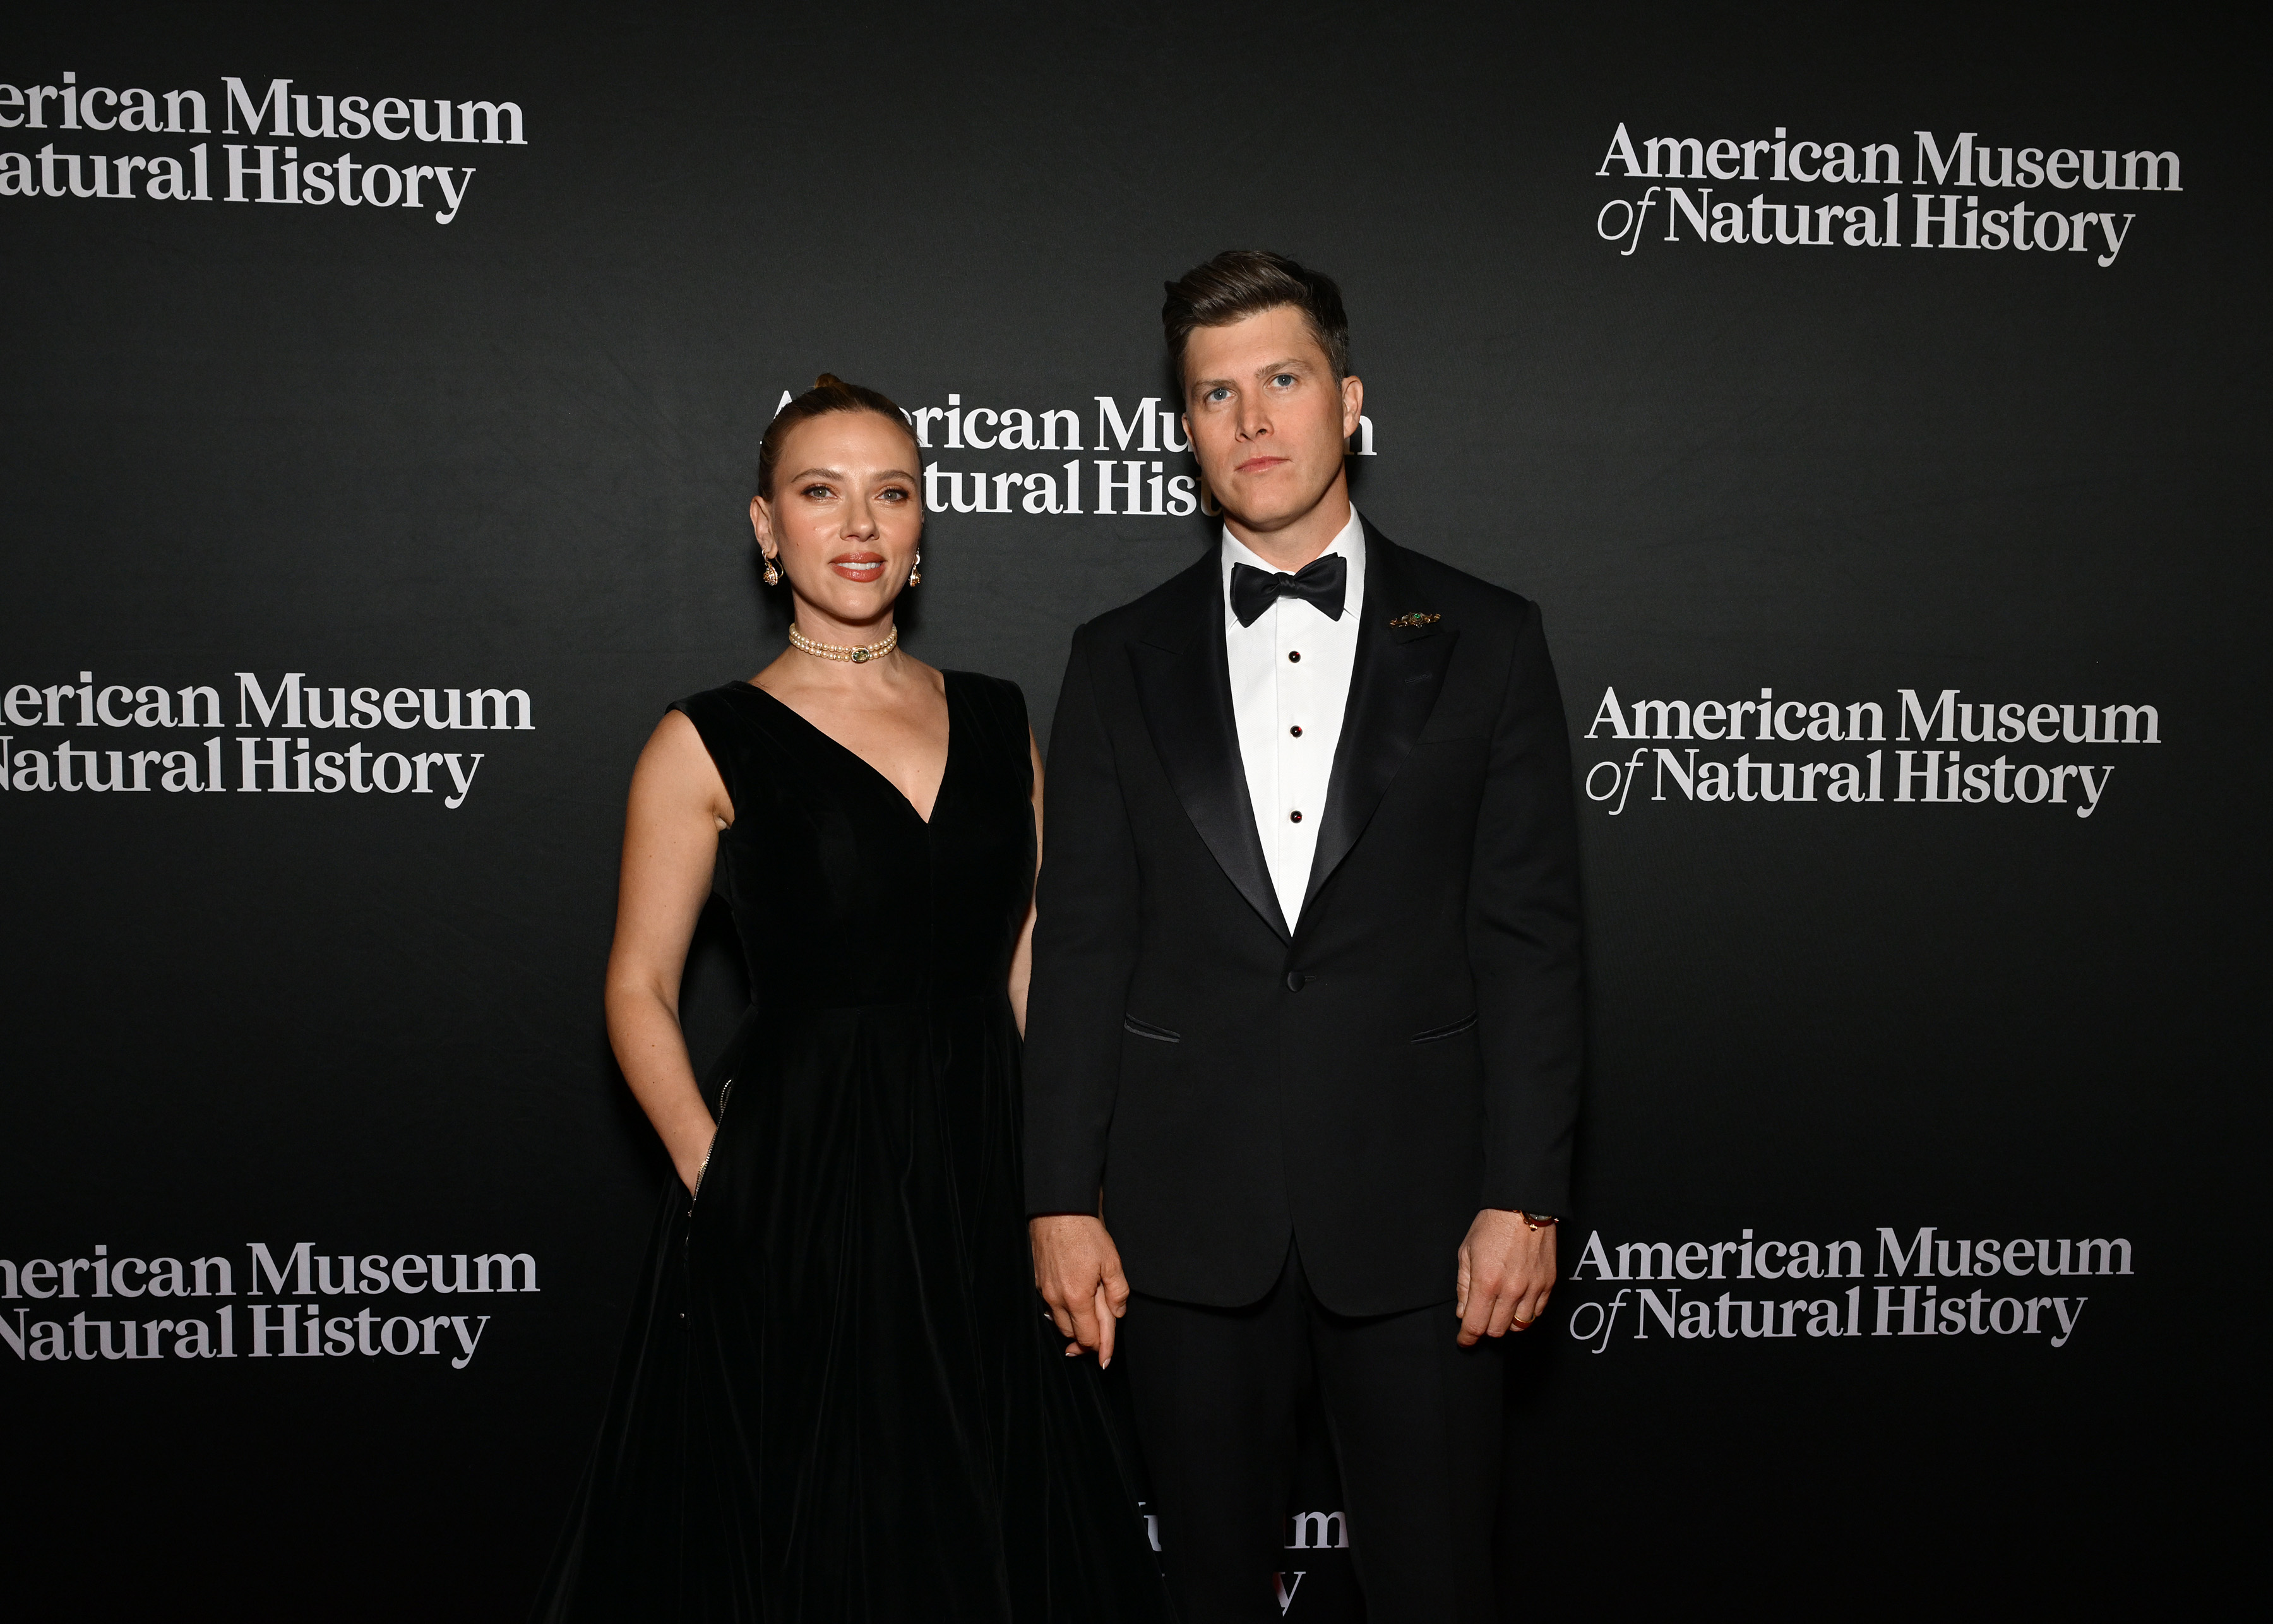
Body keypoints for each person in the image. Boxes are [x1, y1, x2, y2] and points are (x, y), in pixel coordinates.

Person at [534, 376, 1174, 1623]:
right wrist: (724, 1173)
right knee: (826, 1531)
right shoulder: (705, 739)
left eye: (892, 492)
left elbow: (1035, 960)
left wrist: (1070, 1186)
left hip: (987, 1170)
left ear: (925, 523)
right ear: (768, 528)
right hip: (804, 1179)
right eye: (821, 493)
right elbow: (637, 985)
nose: (861, 524)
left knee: (1007, 1520)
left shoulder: (997, 716)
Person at [1023, 253, 1585, 1622]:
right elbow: (1084, 942)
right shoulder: (1116, 655)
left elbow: (1530, 939)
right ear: (1187, 429)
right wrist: (1057, 1195)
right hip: (1181, 1219)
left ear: (1349, 401)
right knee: (1208, 1590)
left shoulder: (1492, 639)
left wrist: (1527, 1192)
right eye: (1216, 393)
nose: (1252, 418)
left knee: (1436, 1585)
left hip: (1427, 1217)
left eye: (1281, 380)